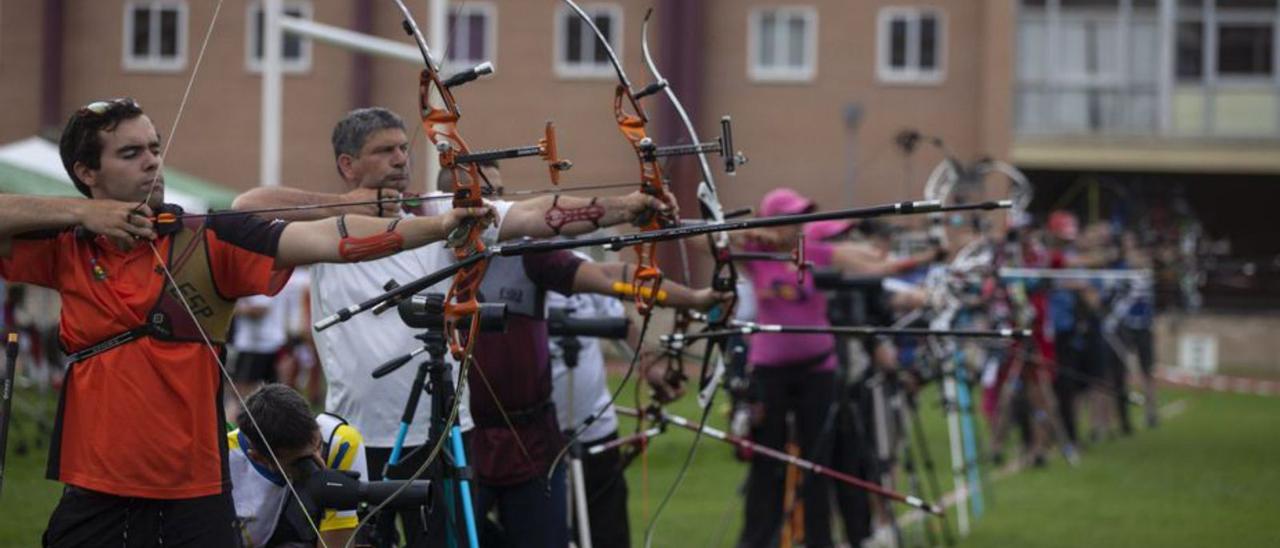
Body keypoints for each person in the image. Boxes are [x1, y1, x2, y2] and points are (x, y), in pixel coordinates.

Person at [0, 97, 491, 547]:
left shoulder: (208, 239)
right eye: (130, 154)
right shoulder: (66, 245)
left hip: (195, 489)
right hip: (96, 484)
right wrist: (85, 214)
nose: (152, 160)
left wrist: (435, 225)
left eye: (154, 147)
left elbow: (326, 235)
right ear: (87, 171)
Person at [231, 107, 675, 546]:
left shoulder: (443, 213)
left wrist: (628, 207)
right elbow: (245, 208)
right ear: (347, 165)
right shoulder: (327, 229)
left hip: (443, 433)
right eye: (384, 150)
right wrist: (348, 206)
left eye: (404, 148)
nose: (401, 158)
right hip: (359, 435)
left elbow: (534, 214)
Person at [442, 165, 726, 548]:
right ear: (448, 204)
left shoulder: (530, 253)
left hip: (532, 443)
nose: (496, 205)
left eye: (502, 193)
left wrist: (693, 298)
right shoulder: (429, 257)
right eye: (485, 194)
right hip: (462, 441)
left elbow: (611, 277)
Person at [228, 383, 367, 548]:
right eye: (303, 462)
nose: (320, 464)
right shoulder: (223, 461)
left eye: (319, 446)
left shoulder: (340, 443)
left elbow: (336, 544)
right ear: (259, 458)